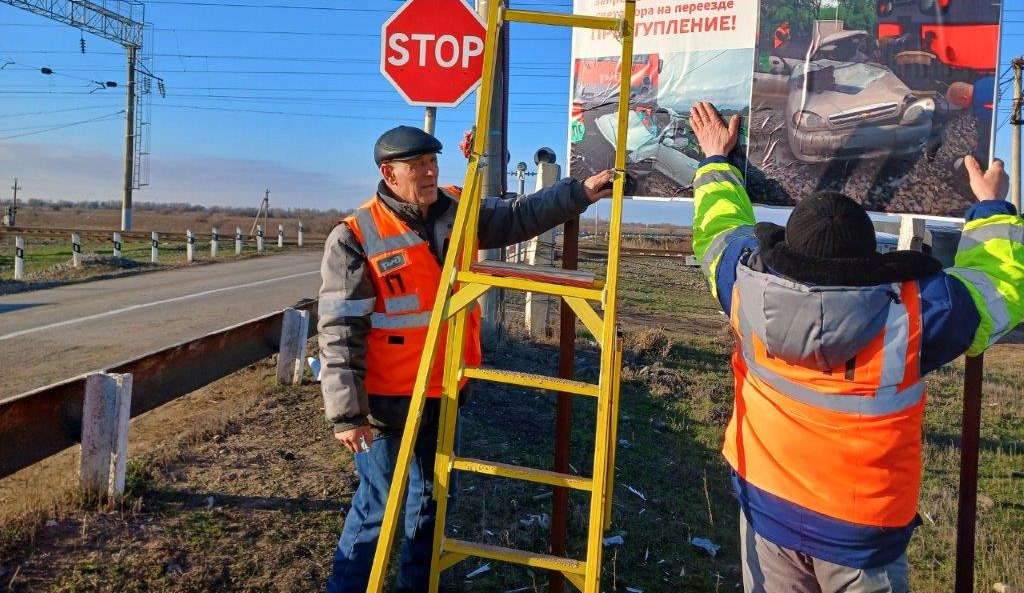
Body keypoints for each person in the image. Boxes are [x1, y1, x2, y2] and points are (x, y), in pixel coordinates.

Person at [687, 101, 1024, 593]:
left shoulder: (743, 288)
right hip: (862, 533)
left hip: (765, 508)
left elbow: (717, 232)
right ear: (870, 259)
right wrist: (991, 207)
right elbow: (999, 289)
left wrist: (717, 158)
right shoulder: (915, 315)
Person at [318, 125, 614, 593]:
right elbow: (338, 333)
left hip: (446, 389)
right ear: (388, 174)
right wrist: (347, 415)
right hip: (385, 402)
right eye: (416, 165)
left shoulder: (456, 209)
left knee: (431, 504)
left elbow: (520, 215)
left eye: (432, 161)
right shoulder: (355, 235)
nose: (430, 171)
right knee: (378, 506)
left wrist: (578, 193)